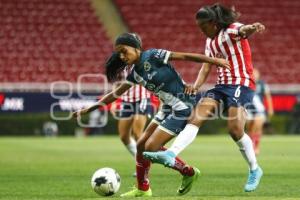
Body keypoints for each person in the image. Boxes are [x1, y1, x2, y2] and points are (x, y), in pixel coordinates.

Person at [73, 33, 230, 197]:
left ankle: (189, 173)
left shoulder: (154, 55)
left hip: (183, 106)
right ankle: (143, 188)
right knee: (141, 145)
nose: (122, 56)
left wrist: (214, 61)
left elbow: (185, 56)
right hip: (168, 107)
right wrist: (88, 109)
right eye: (119, 53)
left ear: (135, 47)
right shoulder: (135, 74)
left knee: (150, 147)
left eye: (124, 51)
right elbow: (115, 94)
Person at [143, 3, 265, 192]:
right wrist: (196, 86)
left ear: (213, 23)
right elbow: (206, 66)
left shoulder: (231, 30)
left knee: (234, 130)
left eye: (203, 27)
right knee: (196, 117)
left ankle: (254, 169)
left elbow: (243, 30)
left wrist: (252, 27)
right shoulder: (210, 42)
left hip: (241, 83)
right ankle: (172, 154)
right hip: (221, 87)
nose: (201, 31)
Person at [110, 68, 154, 175]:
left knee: (137, 134)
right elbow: (117, 83)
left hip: (142, 99)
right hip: (126, 100)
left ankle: (143, 166)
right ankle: (141, 160)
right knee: (124, 137)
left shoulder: (140, 62)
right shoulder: (120, 65)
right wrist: (114, 101)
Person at [247, 68, 274, 155]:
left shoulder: (263, 85)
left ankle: (257, 147)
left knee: (258, 126)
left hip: (260, 110)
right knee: (250, 129)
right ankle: (252, 145)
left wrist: (270, 108)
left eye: (256, 73)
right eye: (253, 73)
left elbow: (268, 96)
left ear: (259, 75)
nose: (254, 75)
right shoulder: (247, 84)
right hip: (249, 109)